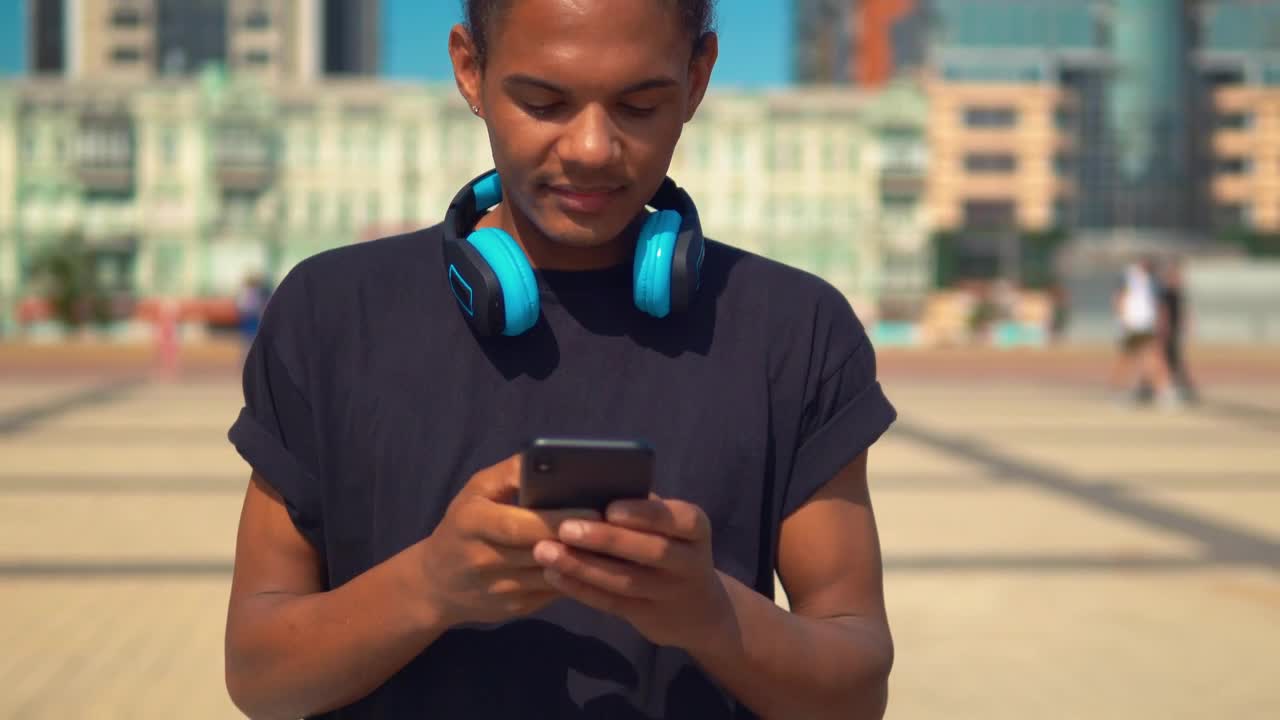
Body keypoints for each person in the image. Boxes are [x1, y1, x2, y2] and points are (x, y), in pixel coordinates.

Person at [224, 2, 897, 718]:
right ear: (469, 71)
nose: (591, 148)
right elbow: (260, 678)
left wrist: (708, 614)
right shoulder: (329, 314)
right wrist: (429, 585)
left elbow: (855, 691)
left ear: (698, 77)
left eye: (640, 105)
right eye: (544, 103)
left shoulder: (796, 329)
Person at [1109, 258, 1177, 408]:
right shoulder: (1128, 277)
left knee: (1155, 357)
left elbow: (1159, 305)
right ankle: (1118, 392)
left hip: (1147, 325)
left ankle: (1164, 392)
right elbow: (1119, 299)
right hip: (1131, 325)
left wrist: (1162, 324)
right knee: (1126, 360)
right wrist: (1123, 320)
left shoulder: (1154, 280)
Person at [1157, 257, 1198, 403]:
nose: (1179, 278)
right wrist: (1164, 327)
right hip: (1168, 331)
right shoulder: (1166, 292)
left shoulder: (1177, 292)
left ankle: (1180, 388)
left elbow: (1183, 312)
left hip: (1174, 331)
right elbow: (1163, 312)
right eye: (1176, 275)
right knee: (1168, 360)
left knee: (1174, 360)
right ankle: (1169, 389)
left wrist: (1188, 325)